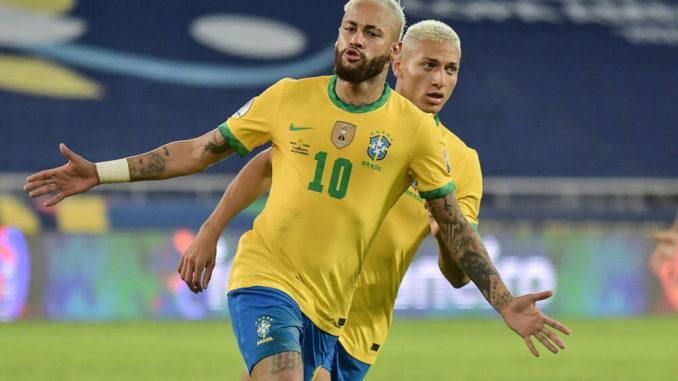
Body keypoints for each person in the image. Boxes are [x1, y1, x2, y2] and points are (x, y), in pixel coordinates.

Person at [24, 1, 570, 380]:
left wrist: (502, 302)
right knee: (284, 374)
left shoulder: (419, 137)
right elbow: (200, 150)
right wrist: (103, 172)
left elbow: (454, 224)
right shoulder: (289, 97)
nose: (355, 39)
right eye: (349, 27)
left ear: (391, 49)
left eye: (370, 32)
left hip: (343, 313)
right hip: (268, 274)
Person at [178, 18, 570, 381]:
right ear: (397, 62)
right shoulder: (345, 114)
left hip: (360, 327)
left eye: (450, 70)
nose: (440, 81)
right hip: (295, 289)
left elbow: (457, 275)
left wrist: (445, 241)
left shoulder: (462, 163)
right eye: (429, 65)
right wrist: (210, 230)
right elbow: (266, 166)